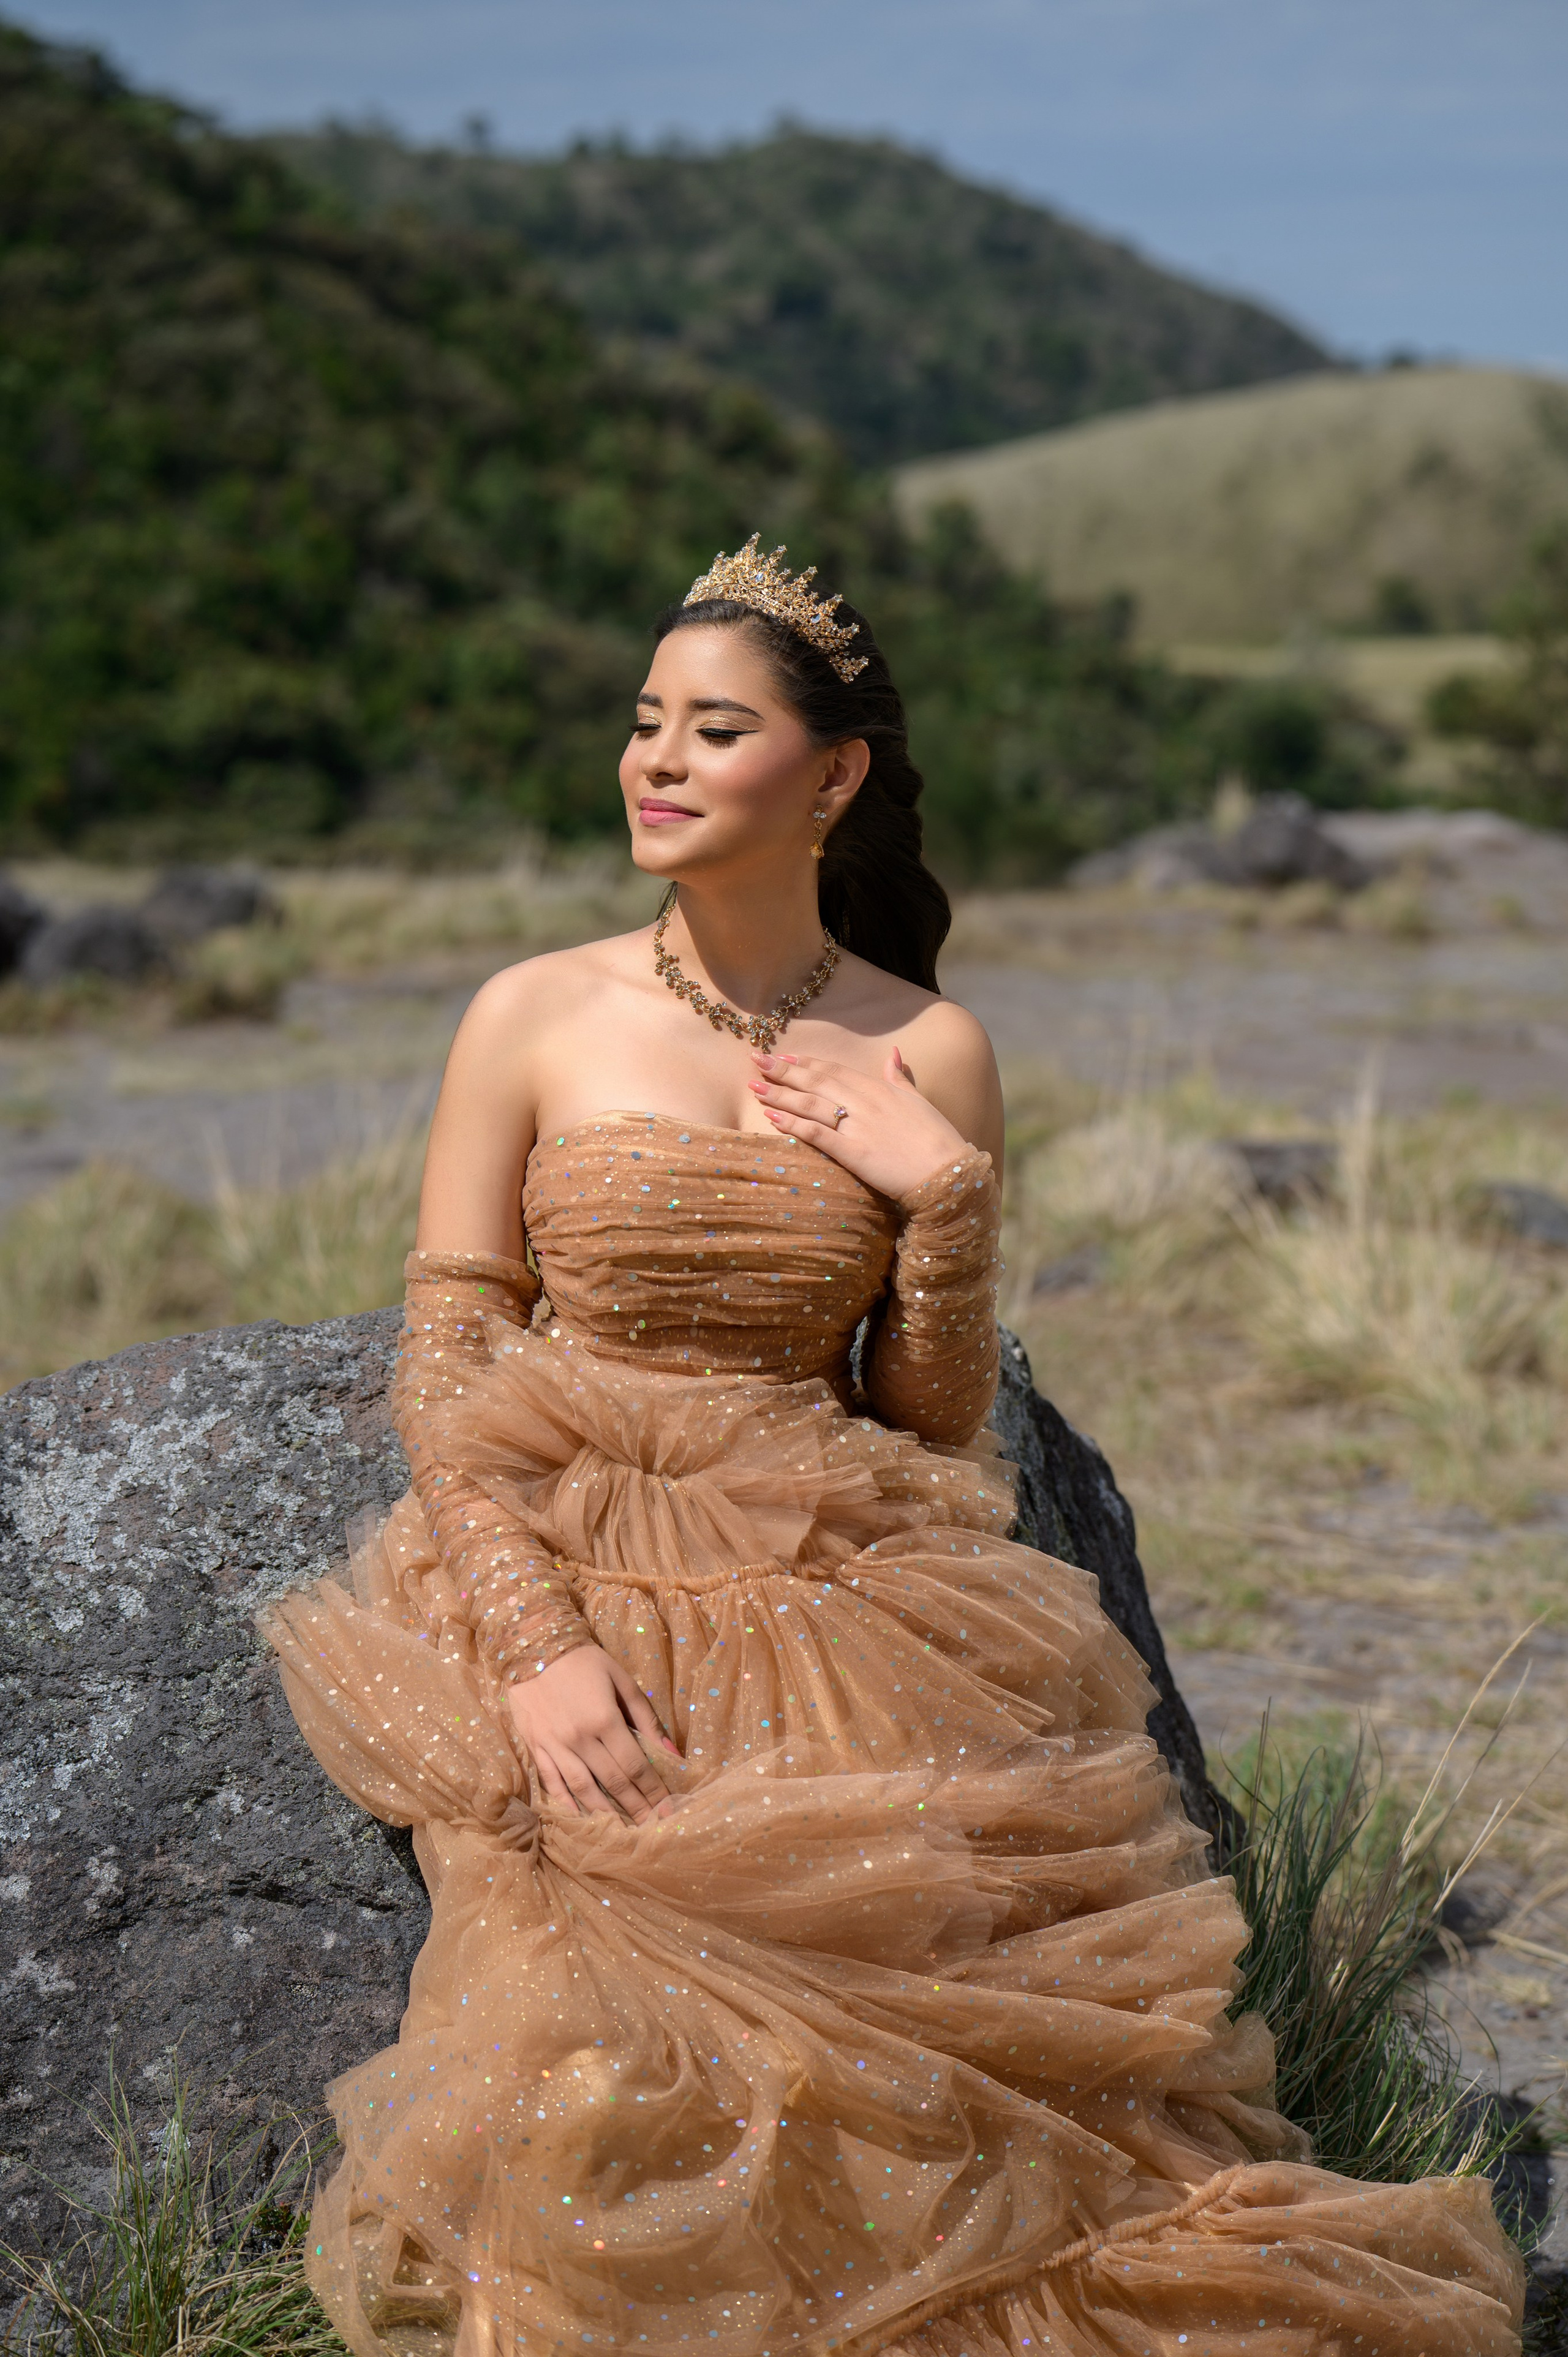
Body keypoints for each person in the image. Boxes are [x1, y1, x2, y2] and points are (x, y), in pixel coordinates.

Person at [266, 539, 1522, 2357]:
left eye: (713, 730)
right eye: (643, 725)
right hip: (567, 1538)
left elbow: (927, 1416)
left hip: (845, 1572)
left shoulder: (926, 1037)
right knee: (600, 2039)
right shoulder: (534, 1010)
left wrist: (938, 1194)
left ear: (835, 775)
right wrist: (533, 1650)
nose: (656, 763)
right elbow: (448, 1355)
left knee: (951, 2014)